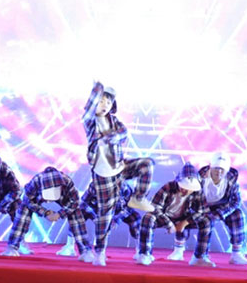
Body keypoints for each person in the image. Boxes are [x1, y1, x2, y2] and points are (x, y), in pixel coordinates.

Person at [82, 82, 155, 266]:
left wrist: (109, 138)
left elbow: (123, 133)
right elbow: (88, 109)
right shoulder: (90, 122)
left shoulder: (115, 122)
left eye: (108, 102)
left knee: (147, 164)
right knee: (105, 214)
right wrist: (97, 86)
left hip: (120, 168)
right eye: (101, 101)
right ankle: (100, 252)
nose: (105, 105)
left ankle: (138, 198)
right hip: (103, 175)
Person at [1, 166, 94, 260]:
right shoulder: (35, 182)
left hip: (63, 197)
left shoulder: (67, 182)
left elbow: (75, 201)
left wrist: (59, 214)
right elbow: (27, 200)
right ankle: (12, 247)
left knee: (76, 212)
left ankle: (85, 250)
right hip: (36, 196)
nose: (50, 200)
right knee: (23, 209)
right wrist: (45, 212)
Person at [135, 162, 213, 267]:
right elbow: (154, 207)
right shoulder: (168, 187)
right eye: (183, 187)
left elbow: (202, 211)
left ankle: (199, 257)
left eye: (188, 188)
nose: (185, 190)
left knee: (206, 221)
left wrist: (185, 223)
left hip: (184, 217)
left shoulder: (197, 191)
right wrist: (169, 224)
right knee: (148, 217)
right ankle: (144, 254)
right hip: (164, 217)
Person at [57, 181, 141, 256]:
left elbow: (129, 207)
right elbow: (83, 203)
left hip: (116, 212)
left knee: (135, 218)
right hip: (96, 211)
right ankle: (70, 246)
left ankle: (141, 251)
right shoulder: (94, 186)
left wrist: (116, 220)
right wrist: (96, 218)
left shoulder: (125, 188)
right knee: (77, 215)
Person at [198, 152, 247, 265]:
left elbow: (236, 201)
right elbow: (192, 198)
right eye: (216, 168)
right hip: (201, 207)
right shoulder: (200, 178)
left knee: (238, 214)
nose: (219, 172)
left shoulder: (231, 180)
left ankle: (236, 254)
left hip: (222, 207)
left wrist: (218, 214)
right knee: (206, 221)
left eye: (222, 169)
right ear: (210, 167)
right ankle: (199, 256)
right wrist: (205, 213)